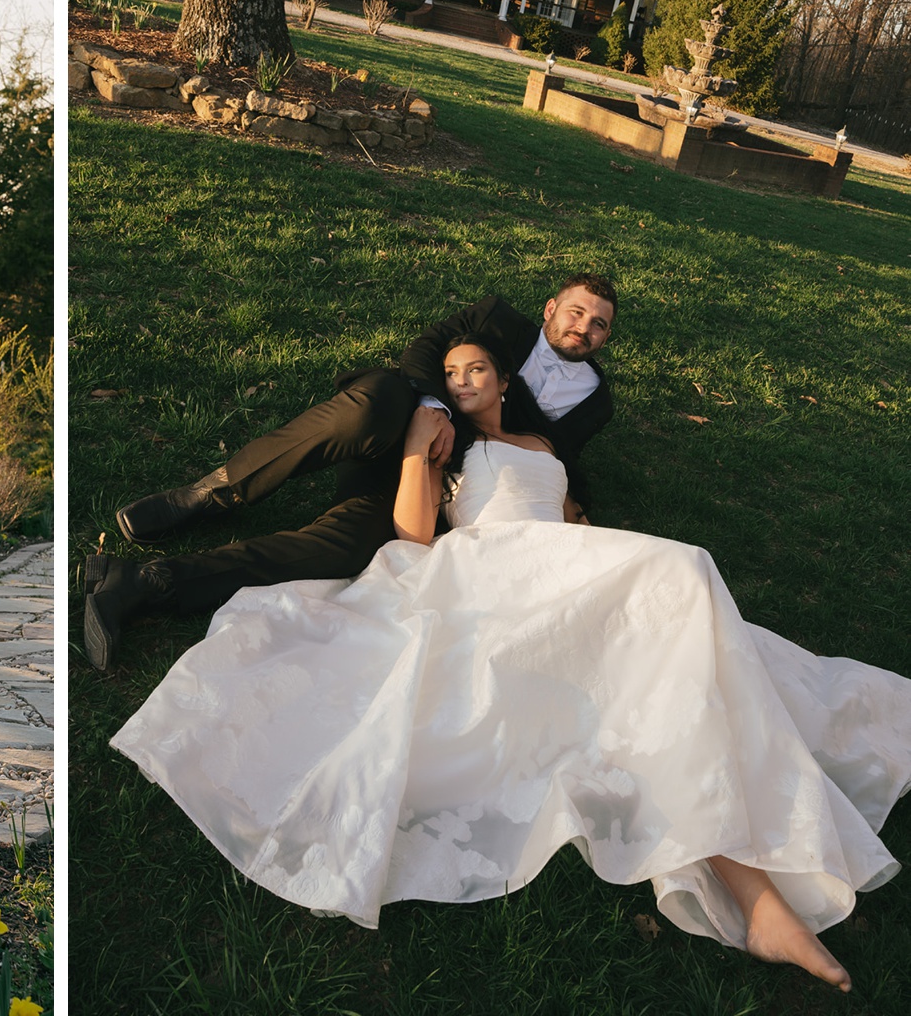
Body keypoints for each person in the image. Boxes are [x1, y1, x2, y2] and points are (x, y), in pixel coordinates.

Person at [111, 338, 911, 991]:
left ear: (502, 380)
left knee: (664, 625)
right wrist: (419, 455)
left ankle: (755, 890)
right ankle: (755, 894)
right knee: (685, 575)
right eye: (450, 373)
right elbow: (416, 536)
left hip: (570, 558)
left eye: (475, 370)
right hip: (491, 568)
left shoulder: (542, 444)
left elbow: (571, 515)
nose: (461, 381)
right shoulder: (443, 444)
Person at [82, 275, 618, 670]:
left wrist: (576, 520)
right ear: (551, 308)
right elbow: (427, 351)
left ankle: (142, 583)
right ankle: (213, 493)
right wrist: (435, 411)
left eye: (598, 324)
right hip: (401, 411)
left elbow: (559, 462)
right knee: (374, 404)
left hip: (437, 474)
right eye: (575, 312)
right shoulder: (497, 319)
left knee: (348, 548)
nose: (583, 327)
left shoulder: (595, 401)